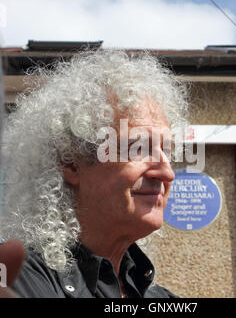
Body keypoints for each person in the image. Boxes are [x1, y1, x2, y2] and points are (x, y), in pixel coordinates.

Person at [0, 49, 189, 298]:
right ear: (71, 163)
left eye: (167, 151)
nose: (167, 172)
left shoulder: (162, 299)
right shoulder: (17, 280)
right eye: (139, 148)